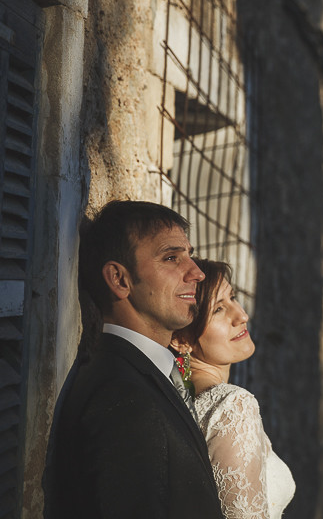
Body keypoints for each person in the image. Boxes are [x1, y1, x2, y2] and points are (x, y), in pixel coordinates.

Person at [43, 200, 224, 518]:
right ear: (119, 279)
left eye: (189, 255)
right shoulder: (120, 392)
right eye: (171, 258)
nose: (196, 272)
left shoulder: (146, 372)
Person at [171, 259, 295, 518]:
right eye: (218, 309)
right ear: (181, 339)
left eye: (233, 298)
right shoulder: (232, 406)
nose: (241, 315)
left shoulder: (176, 398)